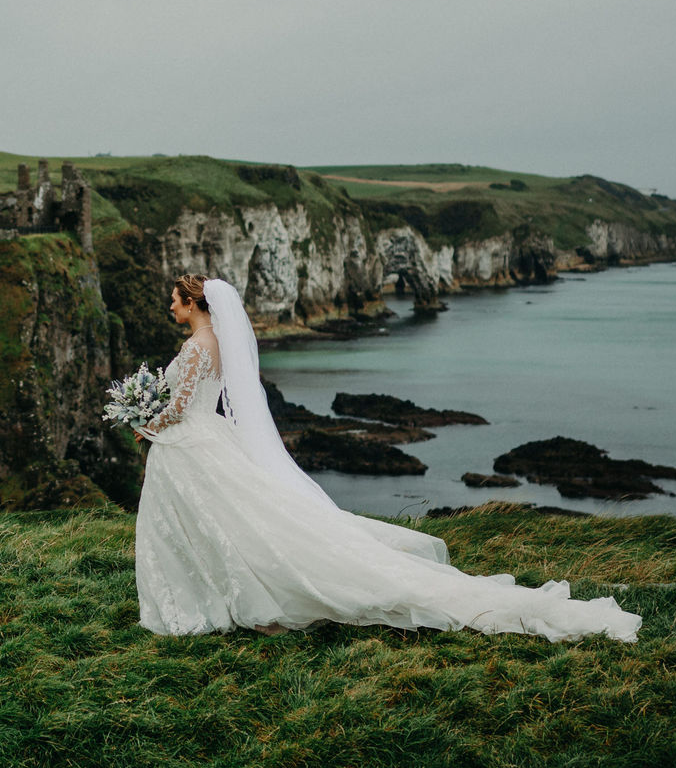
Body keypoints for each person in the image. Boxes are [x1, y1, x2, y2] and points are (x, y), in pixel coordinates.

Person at [133, 274, 640, 642]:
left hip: (193, 441)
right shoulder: (215, 342)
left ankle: (215, 599)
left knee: (213, 521)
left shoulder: (200, 346)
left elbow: (179, 406)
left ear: (194, 303)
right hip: (206, 439)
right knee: (226, 520)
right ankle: (229, 594)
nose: (169, 308)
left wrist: (143, 424)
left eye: (173, 302)